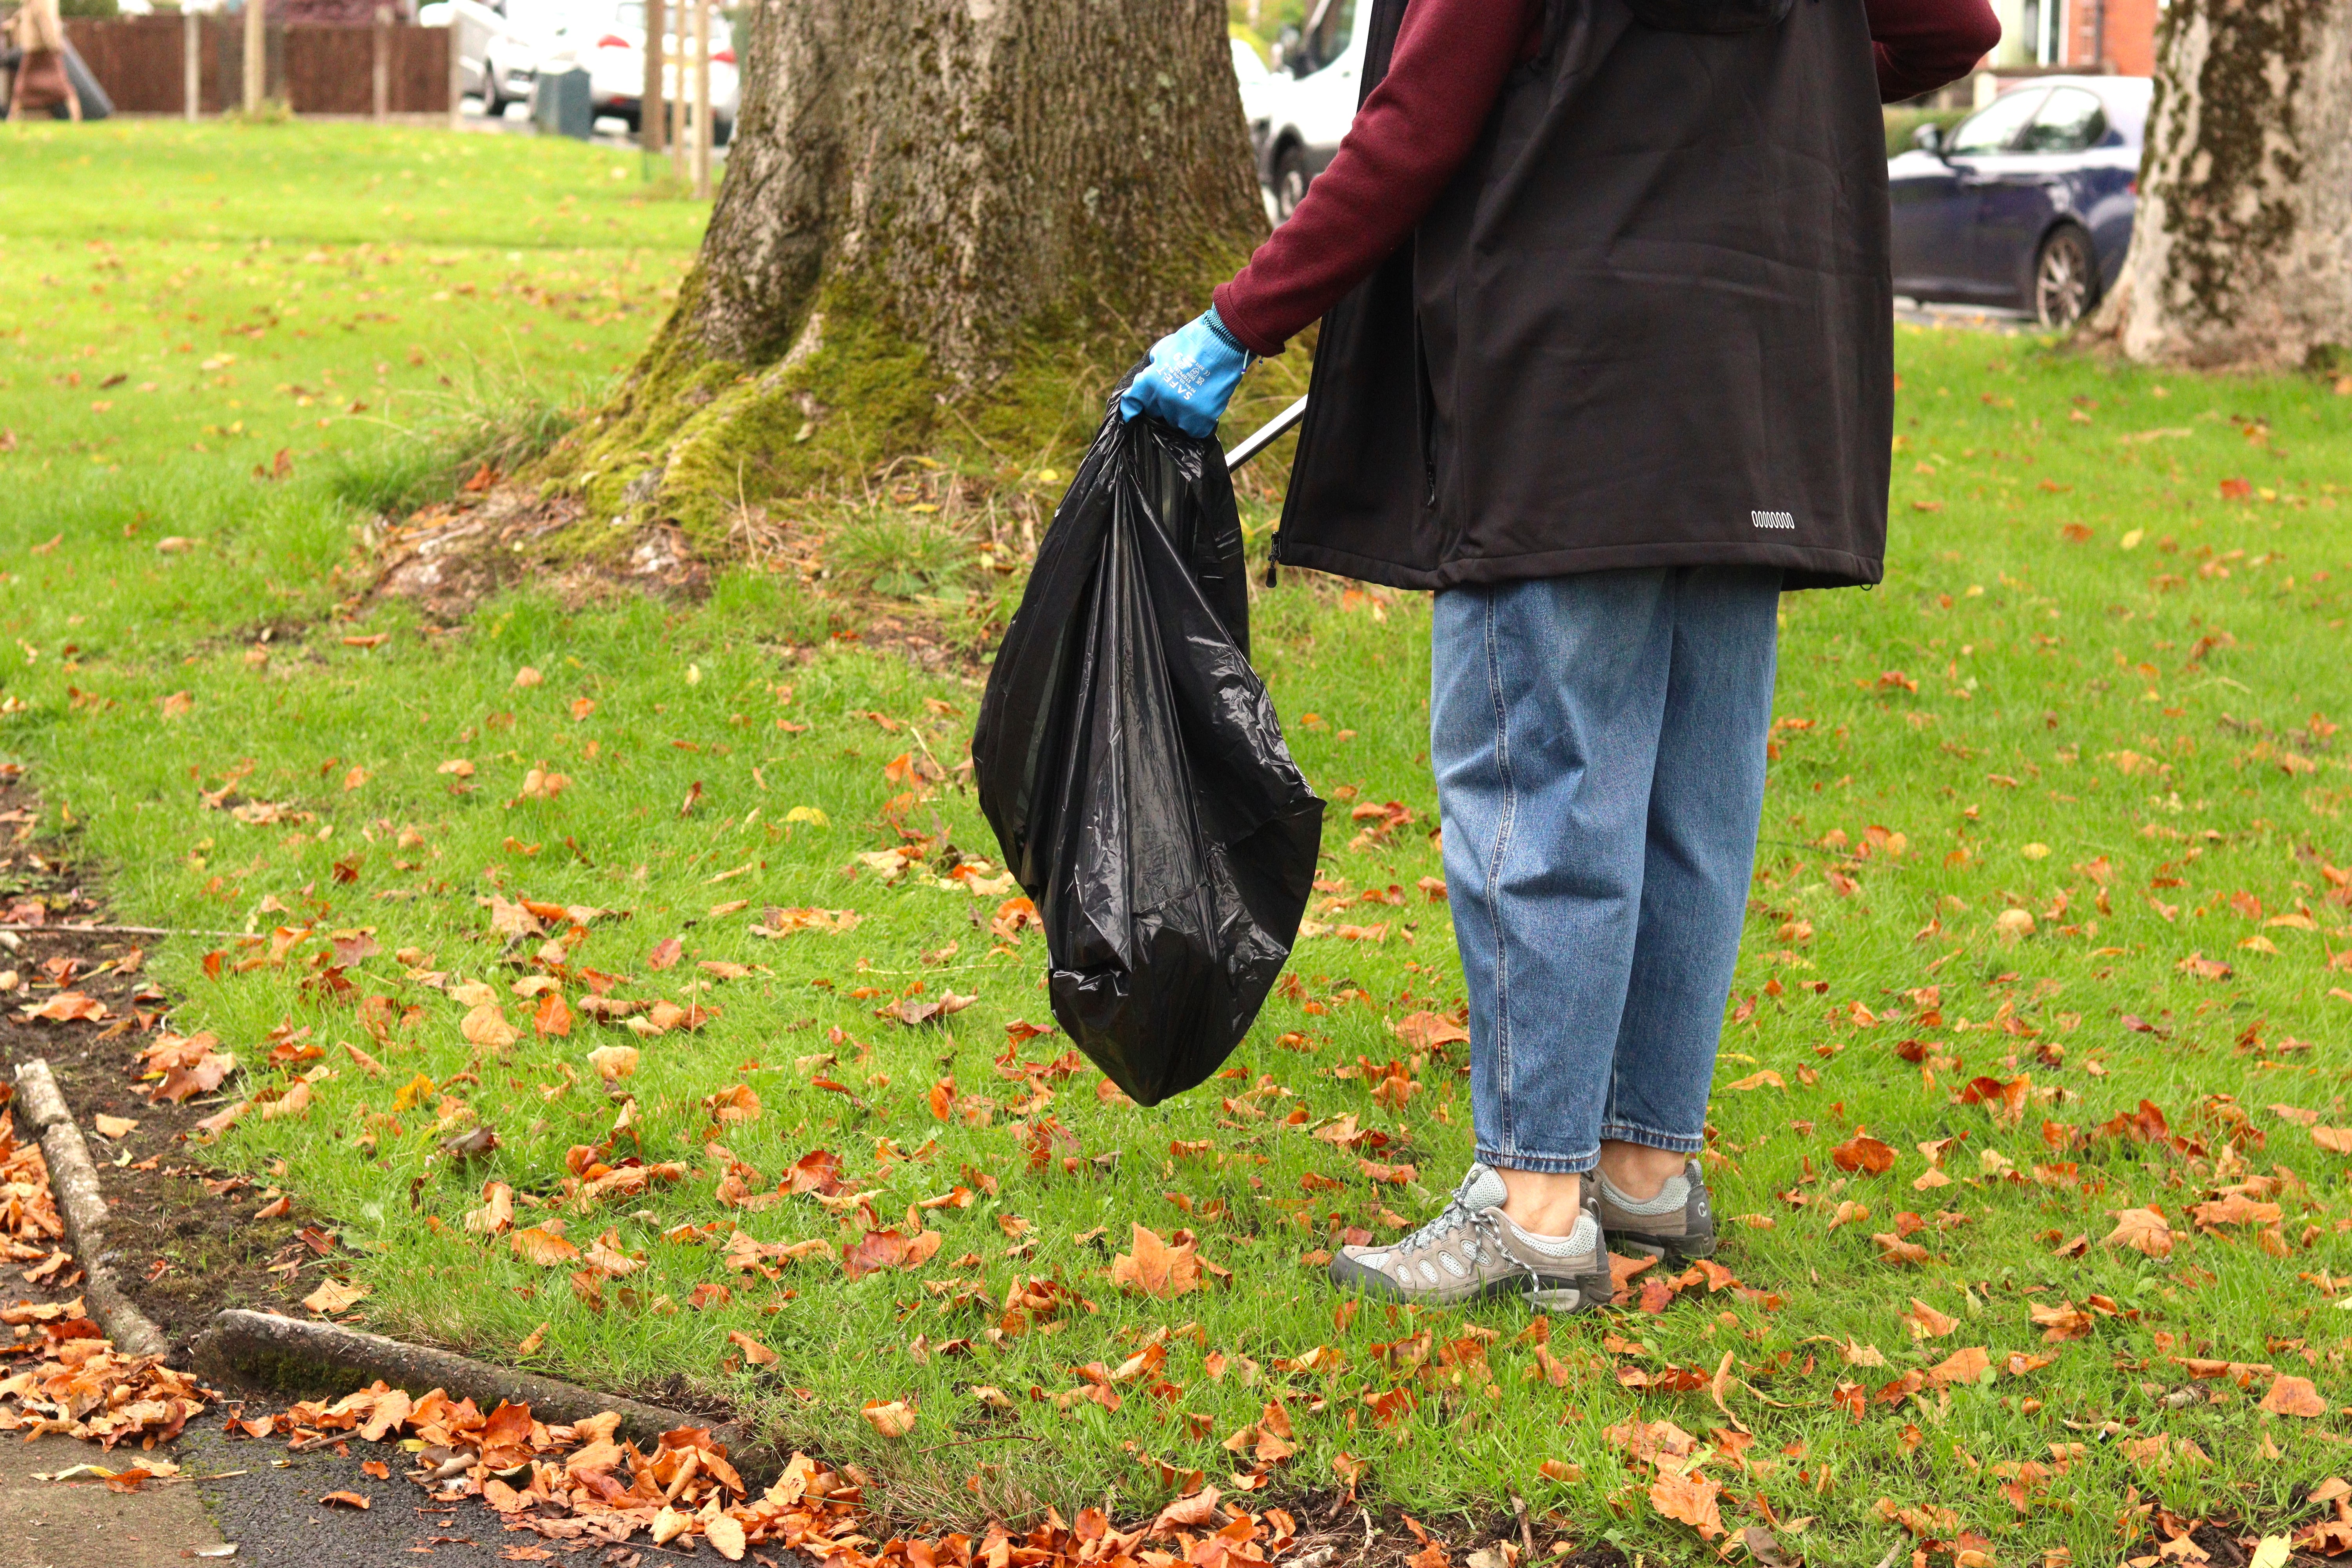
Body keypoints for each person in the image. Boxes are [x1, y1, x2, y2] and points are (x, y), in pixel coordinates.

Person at [1121, 0, 2000, 1310]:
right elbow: (1951, 29)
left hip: (1567, 386)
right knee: (1689, 808)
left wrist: (1238, 323)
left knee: (1539, 791)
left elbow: (1416, 130)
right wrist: (1743, 85)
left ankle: (1533, 1204)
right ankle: (1644, 1173)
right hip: (1758, 389)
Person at [6, 0, 83, 123]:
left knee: (64, 89)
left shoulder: (41, 2)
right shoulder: (31, 3)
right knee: (22, 90)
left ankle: (78, 121)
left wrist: (54, 44)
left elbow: (46, 21)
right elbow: (24, 16)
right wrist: (12, 24)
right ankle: (77, 122)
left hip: (45, 50)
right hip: (35, 50)